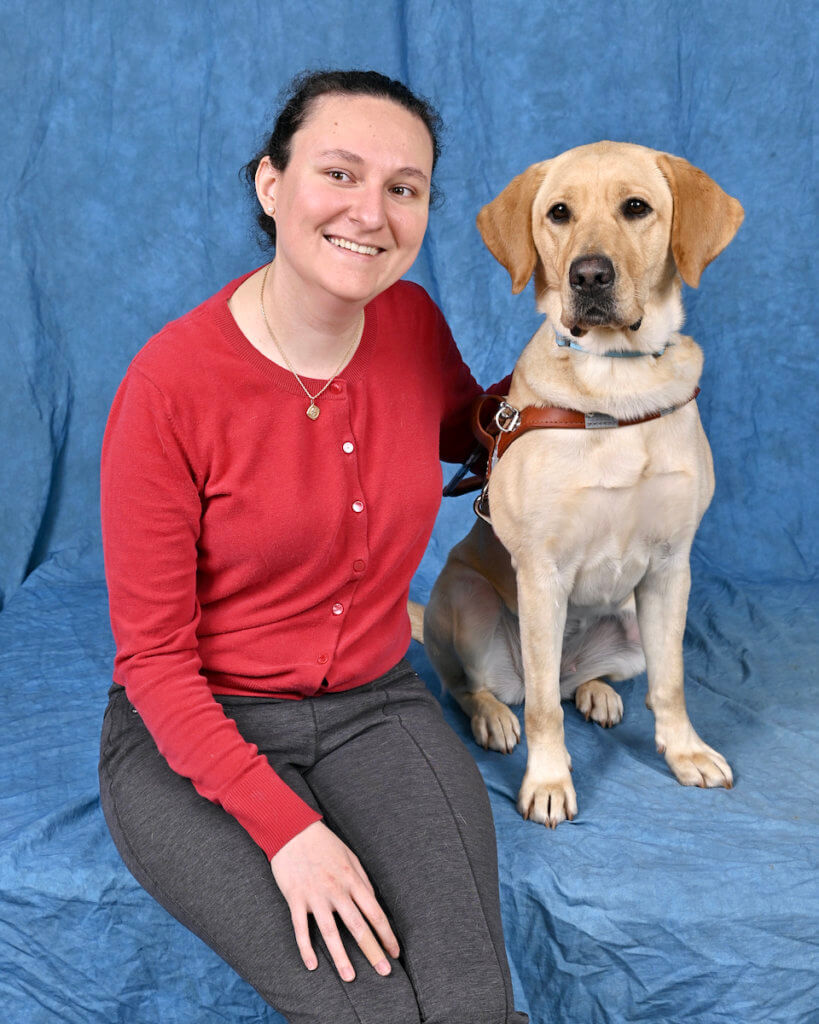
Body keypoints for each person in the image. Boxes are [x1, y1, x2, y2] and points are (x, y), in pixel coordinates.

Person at [99, 68, 528, 1024]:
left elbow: (471, 431)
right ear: (270, 185)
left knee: (468, 1005)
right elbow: (156, 664)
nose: (369, 213)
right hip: (197, 728)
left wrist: (589, 382)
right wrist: (293, 835)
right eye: (338, 173)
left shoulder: (410, 323)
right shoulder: (169, 387)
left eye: (403, 188)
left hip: (376, 707)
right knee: (367, 1009)